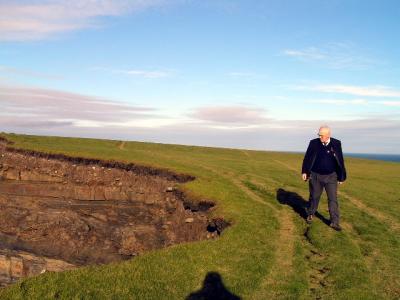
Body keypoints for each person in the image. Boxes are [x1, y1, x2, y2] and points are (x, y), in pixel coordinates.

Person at [301, 125, 346, 231]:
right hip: (315, 175)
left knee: (333, 199)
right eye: (319, 135)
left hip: (331, 177)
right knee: (314, 196)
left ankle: (334, 222)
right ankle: (310, 214)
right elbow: (307, 158)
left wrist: (341, 177)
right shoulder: (313, 143)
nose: (320, 137)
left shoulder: (336, 143)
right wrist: (304, 171)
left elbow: (340, 160)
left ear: (328, 135)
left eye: (322, 135)